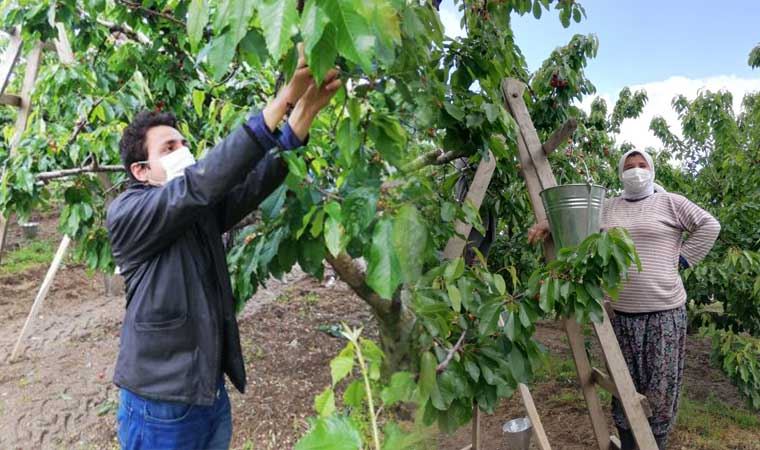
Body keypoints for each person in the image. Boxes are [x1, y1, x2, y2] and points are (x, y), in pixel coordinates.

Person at [107, 50, 341, 450]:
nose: (182, 150)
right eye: (168, 148)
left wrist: (304, 114)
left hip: (206, 392)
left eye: (183, 142)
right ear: (141, 171)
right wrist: (283, 100)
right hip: (160, 404)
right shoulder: (129, 212)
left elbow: (250, 185)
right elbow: (201, 183)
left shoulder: (195, 210)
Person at [528, 150, 720, 449]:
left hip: (664, 315)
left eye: (642, 165)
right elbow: (573, 214)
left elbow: (710, 226)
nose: (636, 171)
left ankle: (654, 443)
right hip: (621, 316)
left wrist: (681, 260)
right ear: (620, 173)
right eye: (629, 167)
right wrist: (545, 223)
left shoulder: (670, 202)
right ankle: (631, 443)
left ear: (652, 169)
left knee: (659, 393)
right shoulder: (608, 207)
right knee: (624, 389)